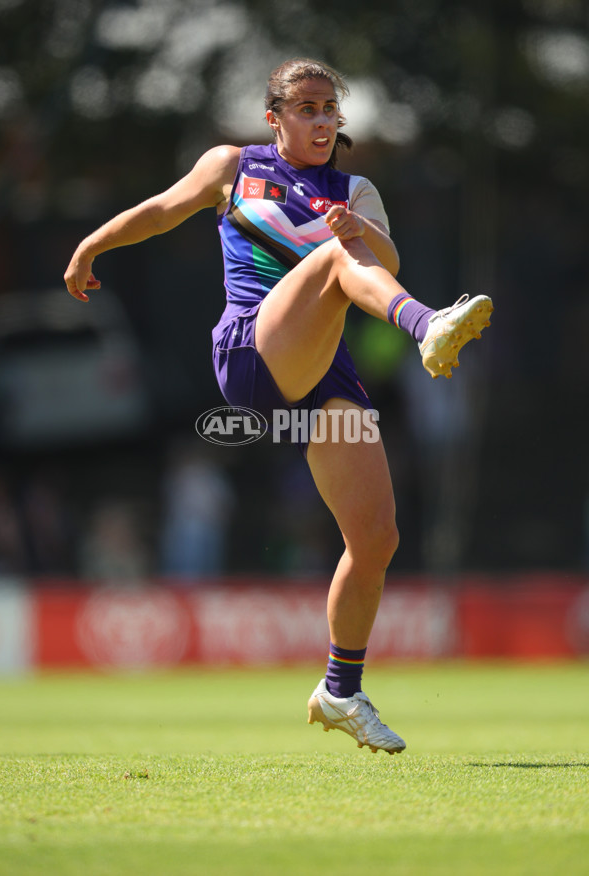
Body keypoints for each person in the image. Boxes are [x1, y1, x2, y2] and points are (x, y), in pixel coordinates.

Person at [64, 58, 493, 755]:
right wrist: (92, 244)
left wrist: (359, 228)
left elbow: (386, 257)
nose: (323, 121)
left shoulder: (355, 188)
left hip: (321, 369)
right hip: (249, 352)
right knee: (329, 259)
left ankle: (340, 692)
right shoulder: (234, 165)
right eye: (308, 108)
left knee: (375, 537)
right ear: (277, 117)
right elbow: (161, 210)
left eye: (331, 110)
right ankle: (425, 328)